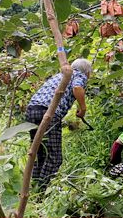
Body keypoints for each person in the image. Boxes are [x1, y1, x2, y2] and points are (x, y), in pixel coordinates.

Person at [26, 58, 92, 188]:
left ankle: (33, 188)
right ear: (87, 72)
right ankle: (43, 191)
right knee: (54, 157)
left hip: (32, 110)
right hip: (48, 112)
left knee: (39, 153)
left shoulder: (60, 75)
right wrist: (83, 108)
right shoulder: (79, 74)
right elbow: (77, 87)